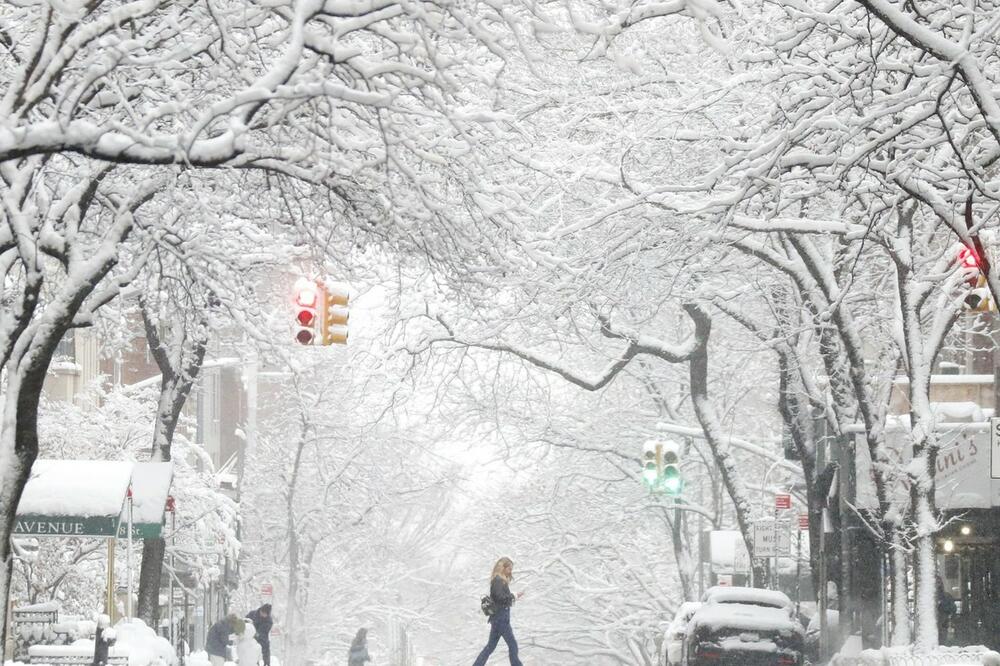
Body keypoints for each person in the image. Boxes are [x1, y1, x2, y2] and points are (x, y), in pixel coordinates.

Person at [472, 557, 524, 666]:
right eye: (509, 568)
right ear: (503, 568)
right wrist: (514, 595)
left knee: (490, 647)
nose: (511, 571)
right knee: (512, 645)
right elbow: (501, 598)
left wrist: (513, 597)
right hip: (501, 619)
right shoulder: (498, 581)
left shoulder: (499, 581)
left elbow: (500, 599)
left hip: (498, 619)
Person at [937, 576, 956, 644]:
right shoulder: (927, 597)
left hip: (943, 623)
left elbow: (953, 608)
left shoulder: (946, 596)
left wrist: (942, 606)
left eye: (938, 582)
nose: (937, 584)